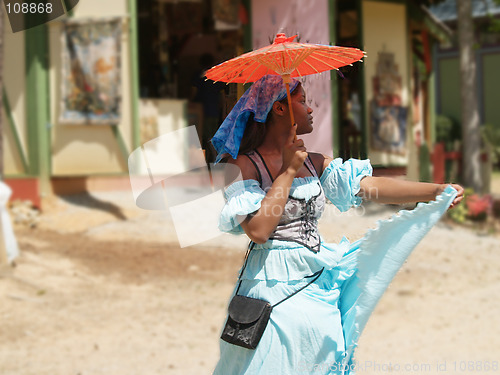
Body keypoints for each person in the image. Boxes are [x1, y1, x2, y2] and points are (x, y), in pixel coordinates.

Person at [210, 75, 464, 374]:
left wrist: (435, 190)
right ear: (280, 110)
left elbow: (370, 187)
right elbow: (260, 230)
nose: (311, 108)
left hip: (317, 279)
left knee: (322, 360)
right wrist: (289, 170)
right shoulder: (241, 166)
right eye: (302, 101)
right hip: (270, 285)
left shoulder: (314, 162)